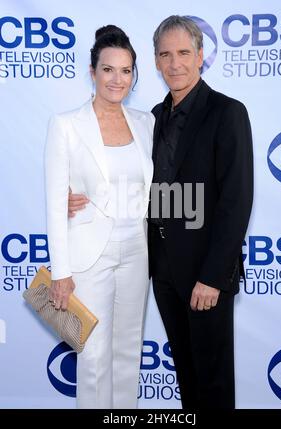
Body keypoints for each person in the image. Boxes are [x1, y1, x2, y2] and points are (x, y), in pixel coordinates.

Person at [68, 15, 253, 409]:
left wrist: (212, 277)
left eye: (184, 53)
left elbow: (236, 202)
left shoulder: (227, 112)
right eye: (165, 55)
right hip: (162, 271)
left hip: (207, 276)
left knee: (213, 382)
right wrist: (76, 195)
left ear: (201, 56)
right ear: (154, 62)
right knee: (187, 375)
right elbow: (131, 183)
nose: (175, 63)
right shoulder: (151, 118)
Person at [45, 25, 154, 409]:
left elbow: (148, 188)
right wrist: (60, 271)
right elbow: (53, 202)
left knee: (128, 352)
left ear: (133, 75)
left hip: (137, 253)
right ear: (93, 72)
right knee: (91, 356)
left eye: (126, 71)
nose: (117, 79)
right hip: (88, 255)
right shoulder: (66, 125)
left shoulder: (146, 123)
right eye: (108, 69)